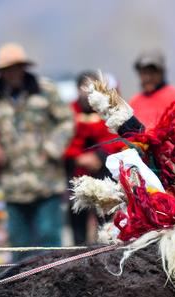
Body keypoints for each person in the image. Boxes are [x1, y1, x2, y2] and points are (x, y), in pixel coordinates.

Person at [0, 43, 73, 261]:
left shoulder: (46, 90)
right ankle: (21, 289)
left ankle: (54, 285)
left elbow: (66, 121)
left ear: (24, 67)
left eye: (17, 67)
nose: (13, 73)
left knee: (49, 237)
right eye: (8, 68)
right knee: (19, 244)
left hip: (47, 181)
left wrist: (52, 147)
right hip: (12, 183)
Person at [63, 70, 124, 244]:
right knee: (78, 225)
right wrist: (78, 157)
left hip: (103, 173)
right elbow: (64, 139)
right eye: (84, 86)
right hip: (76, 175)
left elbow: (114, 138)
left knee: (106, 224)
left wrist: (100, 156)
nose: (88, 91)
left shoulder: (108, 110)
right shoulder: (69, 112)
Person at [129, 49, 175, 154]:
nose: (148, 77)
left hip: (169, 164)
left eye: (152, 72)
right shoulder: (134, 103)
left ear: (162, 73)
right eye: (144, 73)